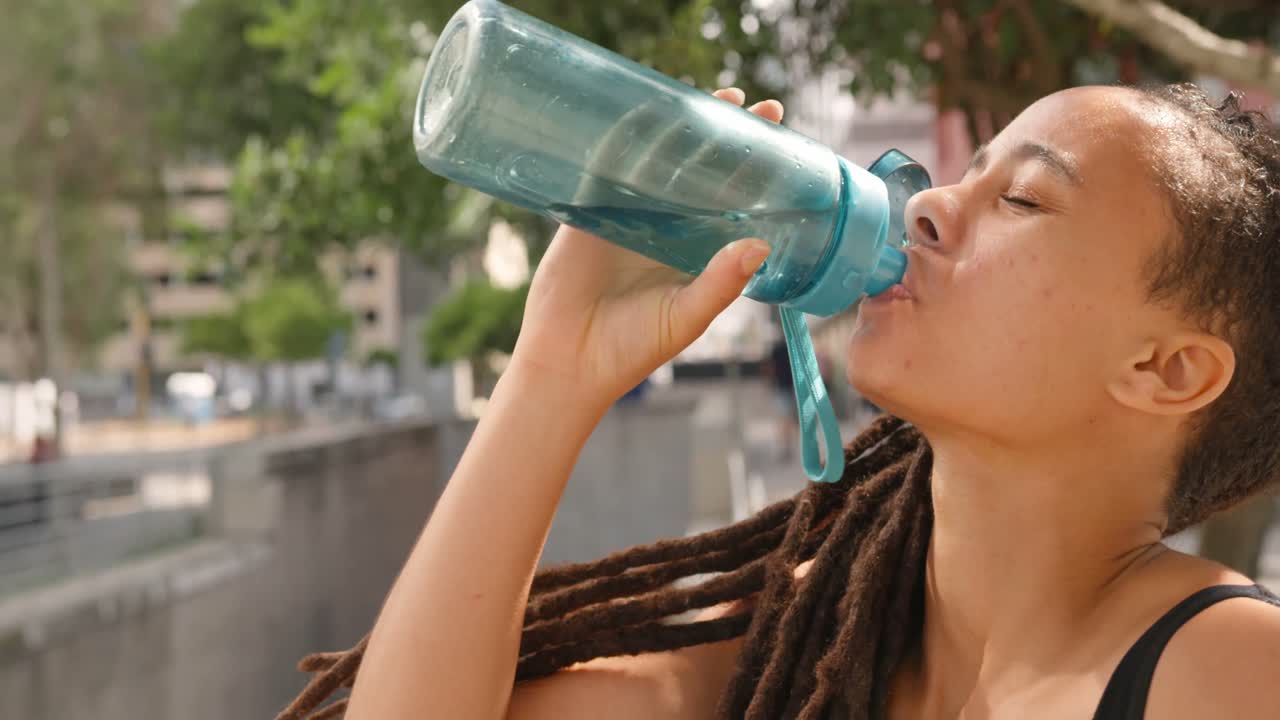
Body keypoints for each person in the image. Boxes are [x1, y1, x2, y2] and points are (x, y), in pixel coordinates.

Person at [278, 84, 1280, 720]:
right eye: (962, 176)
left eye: (1019, 199)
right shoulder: (807, 634)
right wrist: (551, 374)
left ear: (1166, 371)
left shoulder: (1223, 671)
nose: (927, 204)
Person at [764, 334, 799, 460]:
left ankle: (785, 446)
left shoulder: (776, 350)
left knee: (783, 419)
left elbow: (770, 369)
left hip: (783, 388)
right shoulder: (791, 347)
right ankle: (787, 446)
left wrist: (770, 383)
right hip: (793, 387)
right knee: (790, 419)